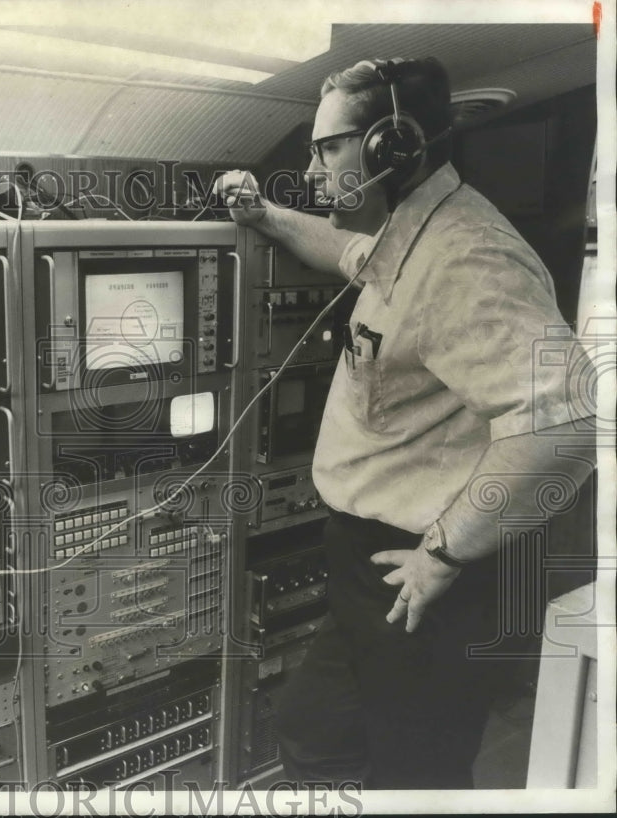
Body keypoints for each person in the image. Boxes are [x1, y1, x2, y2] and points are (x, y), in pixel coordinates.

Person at [217, 57, 596, 789]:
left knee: (417, 774)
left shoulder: (467, 257)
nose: (315, 164)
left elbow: (571, 423)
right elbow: (351, 254)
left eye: (329, 147)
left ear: (391, 146)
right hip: (370, 564)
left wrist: (445, 554)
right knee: (314, 727)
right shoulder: (416, 230)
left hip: (424, 570)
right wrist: (263, 215)